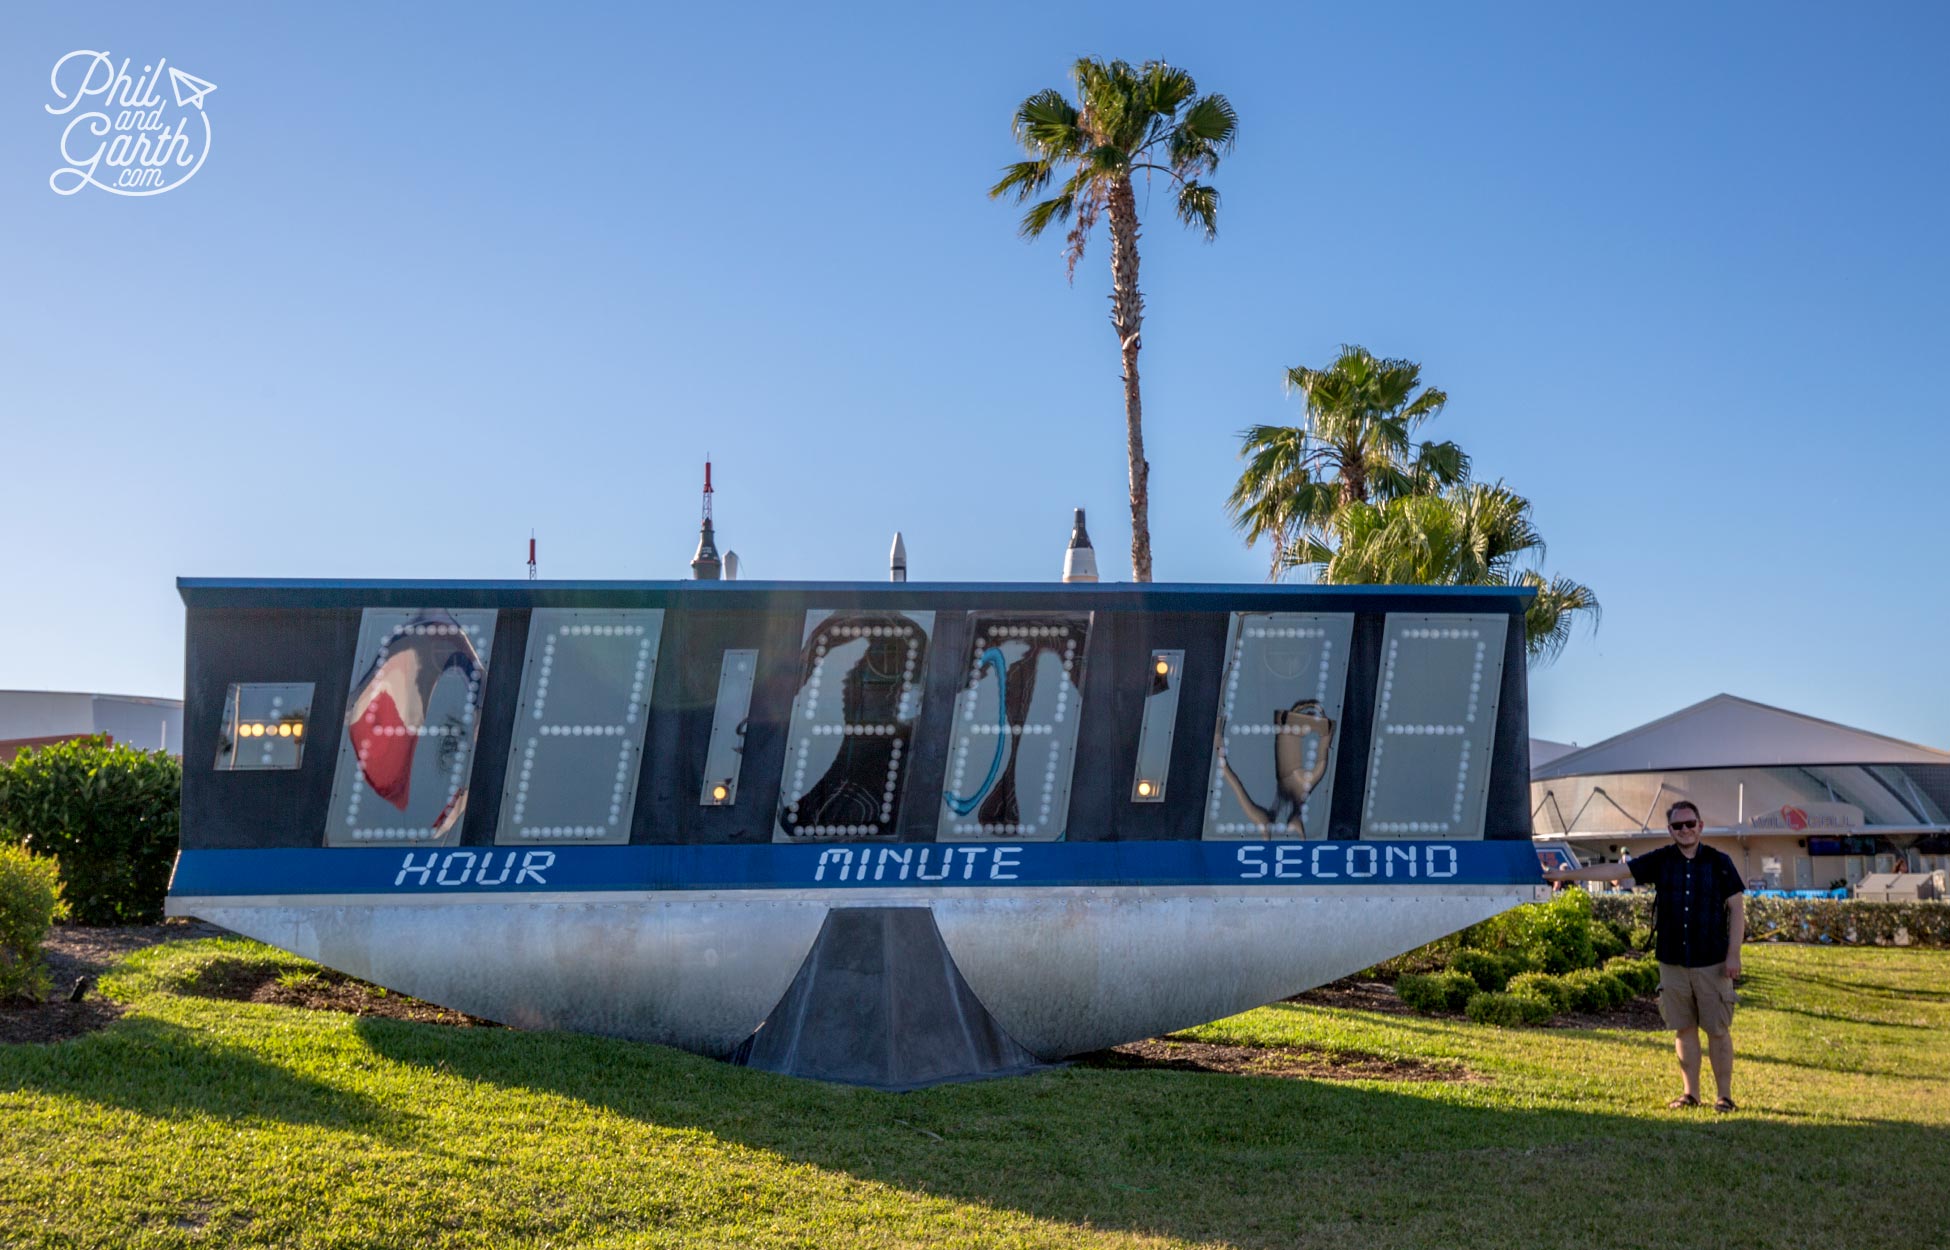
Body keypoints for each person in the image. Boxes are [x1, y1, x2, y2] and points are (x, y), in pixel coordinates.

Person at [1543, 800, 1746, 1112]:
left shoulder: (1720, 862)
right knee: (1683, 1028)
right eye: (1678, 826)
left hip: (1713, 962)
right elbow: (1615, 869)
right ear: (1670, 830)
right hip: (1672, 960)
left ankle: (1725, 1097)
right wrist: (1563, 874)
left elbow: (1737, 908)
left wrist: (1734, 955)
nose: (1685, 830)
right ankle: (1691, 1094)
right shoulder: (1662, 860)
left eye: (1690, 823)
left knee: (1717, 1030)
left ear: (1700, 826)